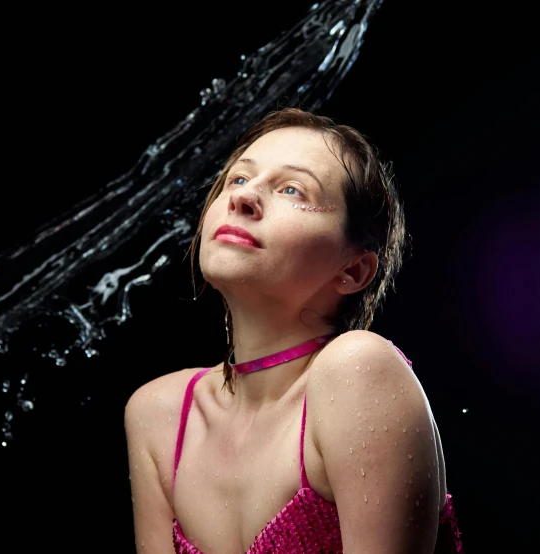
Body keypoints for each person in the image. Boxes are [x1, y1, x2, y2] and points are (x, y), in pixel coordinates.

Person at [125, 108, 463, 553]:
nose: (242, 199)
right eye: (238, 179)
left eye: (291, 189)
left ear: (353, 270)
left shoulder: (358, 371)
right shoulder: (159, 414)